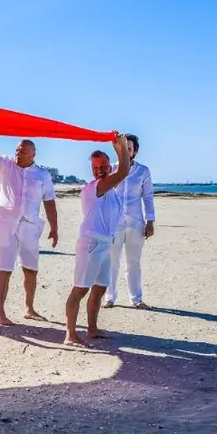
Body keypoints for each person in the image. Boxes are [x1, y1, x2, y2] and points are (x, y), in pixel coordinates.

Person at [0, 136, 59, 325]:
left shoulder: (42, 175)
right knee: (5, 268)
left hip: (30, 226)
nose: (18, 154)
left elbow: (49, 200)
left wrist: (54, 227)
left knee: (31, 269)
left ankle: (29, 308)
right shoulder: (5, 165)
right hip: (6, 225)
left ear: (33, 154)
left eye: (23, 151)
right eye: (17, 150)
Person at [65, 134, 130, 347]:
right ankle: (70, 334)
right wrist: (120, 147)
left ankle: (92, 329)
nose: (99, 169)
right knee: (80, 289)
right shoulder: (95, 187)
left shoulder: (110, 191)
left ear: (109, 165)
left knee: (100, 287)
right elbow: (124, 172)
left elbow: (121, 174)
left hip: (105, 243)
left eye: (103, 165)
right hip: (91, 243)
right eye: (95, 167)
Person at [104, 134, 155, 310]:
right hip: (114, 222)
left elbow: (148, 197)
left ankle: (136, 298)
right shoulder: (110, 169)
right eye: (124, 147)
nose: (127, 151)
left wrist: (150, 221)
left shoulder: (143, 171)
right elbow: (103, 194)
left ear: (135, 151)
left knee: (134, 261)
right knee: (112, 260)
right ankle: (110, 297)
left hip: (135, 222)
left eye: (130, 148)